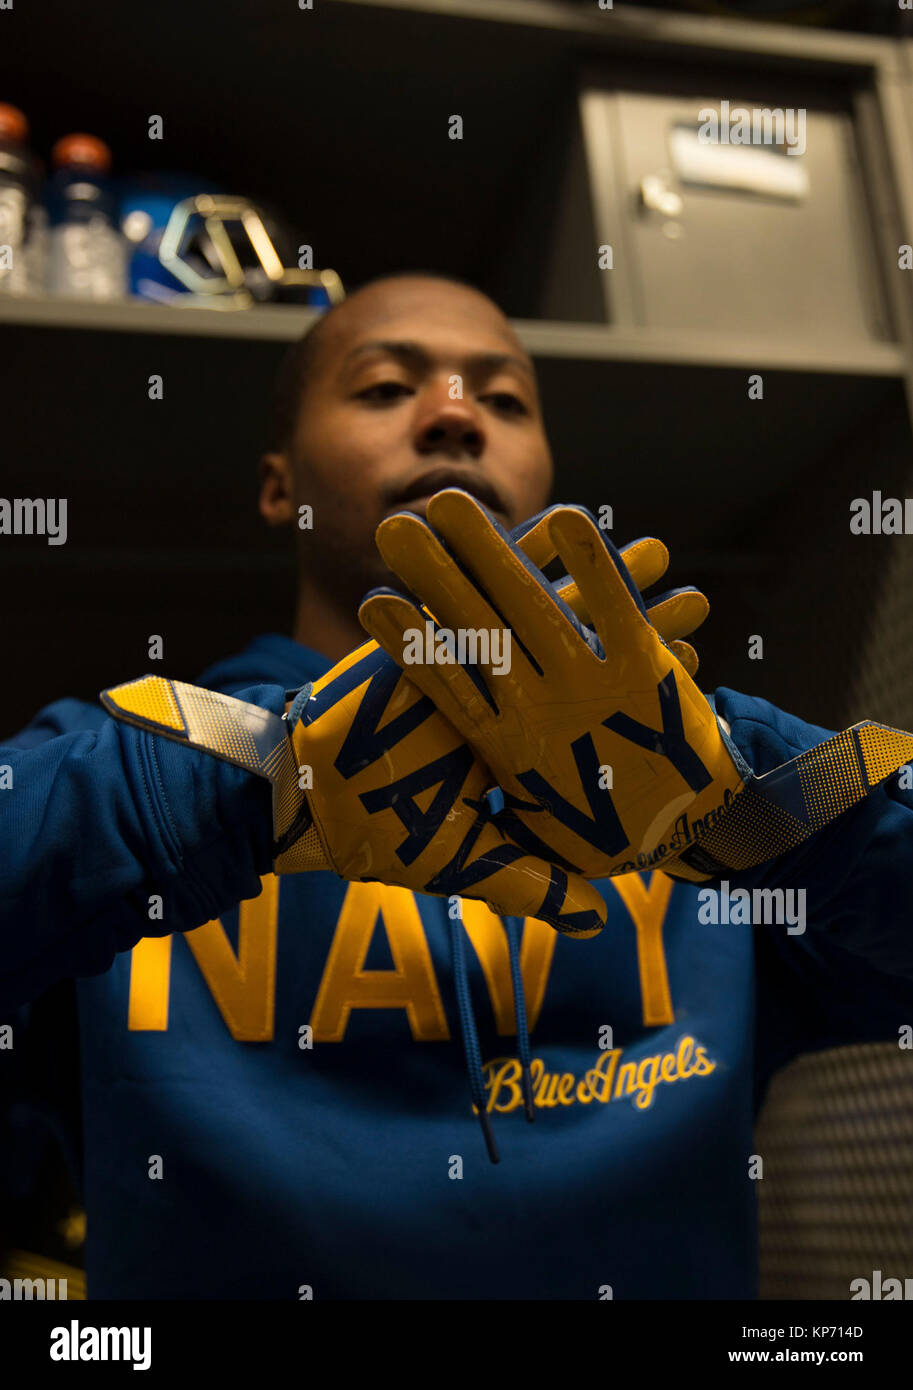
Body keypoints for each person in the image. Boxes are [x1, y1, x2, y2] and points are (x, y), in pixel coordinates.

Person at [2, 273, 911, 1300]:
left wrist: (753, 799)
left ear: (549, 472)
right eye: (386, 387)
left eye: (505, 398)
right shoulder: (122, 757)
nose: (452, 414)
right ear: (278, 483)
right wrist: (245, 783)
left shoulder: (704, 775)